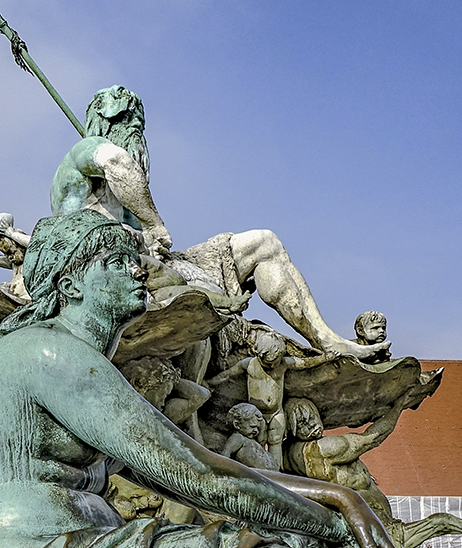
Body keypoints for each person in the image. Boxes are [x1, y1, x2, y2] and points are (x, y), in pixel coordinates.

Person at [0, 210, 400, 548]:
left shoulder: (46, 354)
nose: (136, 268)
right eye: (114, 261)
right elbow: (199, 475)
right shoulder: (50, 353)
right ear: (70, 285)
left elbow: (183, 470)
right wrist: (336, 523)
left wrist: (331, 496)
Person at [51, 85, 387, 359]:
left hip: (160, 260)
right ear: (106, 121)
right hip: (108, 265)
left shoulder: (126, 183)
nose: (137, 130)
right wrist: (153, 223)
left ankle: (327, 340)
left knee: (264, 241)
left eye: (140, 124)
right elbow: (116, 162)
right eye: (129, 122)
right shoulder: (86, 152)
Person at [210, 323, 336, 449]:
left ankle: (275, 468)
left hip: (276, 412)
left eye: (274, 363)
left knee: (276, 441)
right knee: (257, 442)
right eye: (267, 363)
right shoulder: (249, 364)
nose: (271, 366)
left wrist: (324, 358)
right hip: (256, 414)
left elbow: (305, 363)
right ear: (259, 354)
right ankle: (258, 467)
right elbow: (227, 375)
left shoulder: (283, 364)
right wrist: (210, 382)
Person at [220, 403, 281, 471]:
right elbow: (225, 455)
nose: (256, 431)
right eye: (252, 427)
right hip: (258, 475)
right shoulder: (238, 438)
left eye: (257, 428)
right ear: (237, 425)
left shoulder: (253, 441)